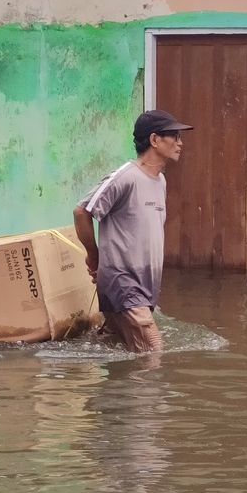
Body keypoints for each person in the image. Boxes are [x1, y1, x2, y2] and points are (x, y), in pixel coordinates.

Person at [73, 109, 193, 353]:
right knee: (153, 351)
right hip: (123, 283)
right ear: (154, 140)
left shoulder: (160, 181)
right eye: (174, 136)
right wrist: (93, 256)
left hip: (146, 286)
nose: (180, 143)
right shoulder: (125, 178)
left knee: (115, 348)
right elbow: (82, 212)